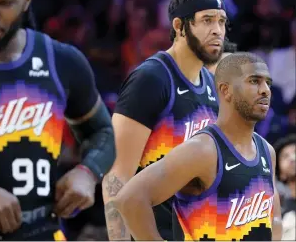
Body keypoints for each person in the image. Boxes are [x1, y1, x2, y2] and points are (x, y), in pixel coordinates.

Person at [0, 0, 115, 240]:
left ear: (27, 0)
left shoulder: (62, 61)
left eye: (4, 3)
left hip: (43, 230)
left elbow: (102, 131)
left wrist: (88, 172)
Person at [114, 52, 283, 241]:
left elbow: (273, 219)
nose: (265, 90)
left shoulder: (267, 151)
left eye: (267, 82)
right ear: (226, 90)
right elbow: (129, 200)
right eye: (254, 81)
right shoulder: (203, 149)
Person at [102, 0, 226, 240]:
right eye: (207, 20)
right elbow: (116, 174)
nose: (217, 30)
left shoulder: (212, 85)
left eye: (222, 21)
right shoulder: (152, 78)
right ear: (179, 26)